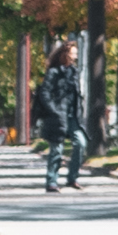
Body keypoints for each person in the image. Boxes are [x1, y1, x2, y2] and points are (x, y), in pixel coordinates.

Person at [29, 49, 90, 193]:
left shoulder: (73, 72)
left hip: (72, 116)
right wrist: (54, 110)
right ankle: (52, 181)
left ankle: (72, 177)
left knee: (81, 143)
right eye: (74, 52)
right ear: (66, 54)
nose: (76, 55)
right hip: (56, 117)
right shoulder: (54, 73)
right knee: (56, 149)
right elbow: (44, 93)